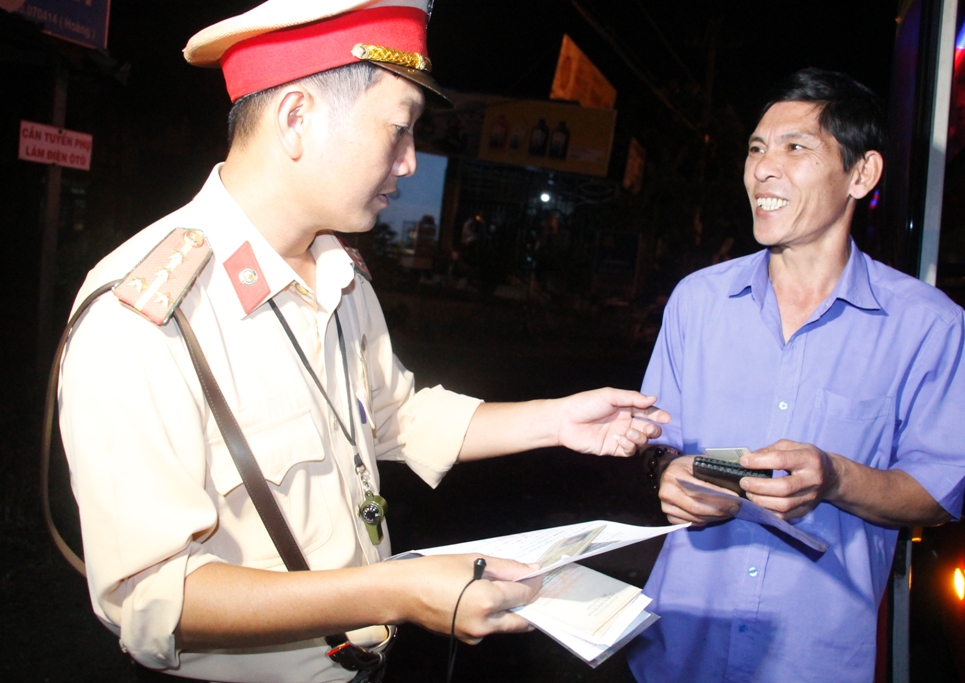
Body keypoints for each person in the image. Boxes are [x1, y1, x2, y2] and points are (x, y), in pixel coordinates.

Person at [56, 2, 669, 681]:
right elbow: (151, 595)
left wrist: (556, 419)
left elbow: (394, 416)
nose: (409, 163)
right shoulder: (144, 316)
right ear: (296, 118)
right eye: (399, 130)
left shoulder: (340, 275)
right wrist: (399, 590)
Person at [627, 68, 965, 683]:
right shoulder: (696, 301)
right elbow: (654, 442)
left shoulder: (927, 325)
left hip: (815, 658)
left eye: (796, 148)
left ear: (861, 175)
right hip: (678, 644)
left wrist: (835, 477)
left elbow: (937, 494)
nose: (763, 168)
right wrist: (664, 470)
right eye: (757, 148)